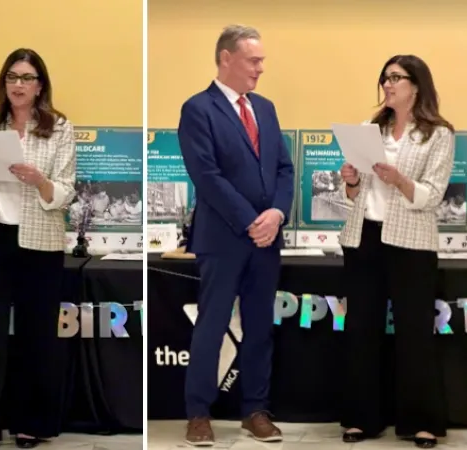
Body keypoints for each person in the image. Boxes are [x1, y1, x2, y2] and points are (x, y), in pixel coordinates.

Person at [0, 48, 76, 450]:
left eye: (26, 77)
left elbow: (67, 191)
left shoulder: (60, 128)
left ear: (40, 86)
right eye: (11, 77)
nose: (18, 85)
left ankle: (31, 424)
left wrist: (40, 181)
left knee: (36, 338)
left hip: (40, 243)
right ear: (3, 84)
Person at [177, 25, 294, 446]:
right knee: (211, 325)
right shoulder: (198, 109)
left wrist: (277, 214)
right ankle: (198, 413)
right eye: (253, 60)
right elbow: (206, 176)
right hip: (224, 239)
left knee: (261, 325)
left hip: (266, 239)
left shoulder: (265, 108)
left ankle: (255, 410)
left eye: (261, 60)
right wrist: (252, 221)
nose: (261, 69)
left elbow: (284, 168)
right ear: (226, 58)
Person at [337, 54, 455, 449]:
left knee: (414, 334)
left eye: (396, 78)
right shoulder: (372, 129)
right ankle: (361, 419)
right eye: (385, 78)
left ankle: (421, 423)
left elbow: (433, 196)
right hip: (364, 239)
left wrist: (400, 180)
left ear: (416, 86)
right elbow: (355, 196)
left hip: (411, 244)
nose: (388, 85)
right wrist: (351, 182)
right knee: (361, 331)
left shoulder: (437, 134)